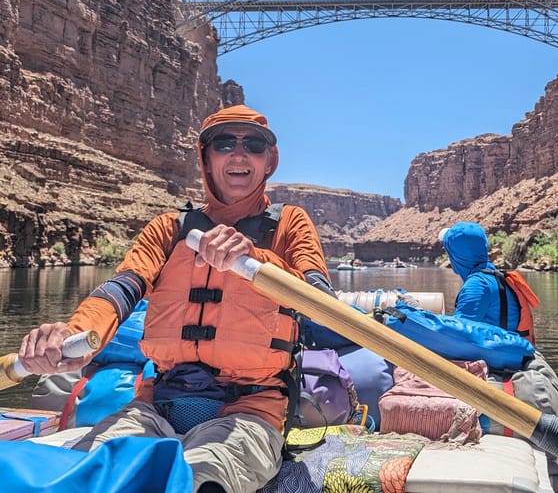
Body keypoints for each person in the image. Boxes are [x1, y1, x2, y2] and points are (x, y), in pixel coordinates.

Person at [17, 104, 335, 493]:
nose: (239, 154)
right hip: (156, 405)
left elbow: (320, 300)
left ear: (269, 161)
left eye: (253, 145)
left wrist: (255, 259)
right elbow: (120, 289)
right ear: (205, 157)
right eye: (224, 143)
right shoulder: (167, 229)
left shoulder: (290, 224)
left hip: (250, 409)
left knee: (199, 480)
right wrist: (74, 336)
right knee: (89, 478)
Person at [439, 221, 520, 330]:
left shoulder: (477, 285)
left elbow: (458, 333)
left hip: (492, 347)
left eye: (449, 252)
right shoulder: (494, 277)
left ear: (457, 256)